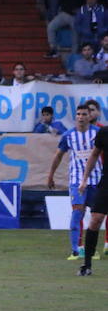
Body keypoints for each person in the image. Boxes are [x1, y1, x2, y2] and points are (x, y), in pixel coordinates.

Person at [48, 105, 101, 262]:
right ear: (75, 116)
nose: (80, 117)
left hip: (97, 180)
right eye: (78, 114)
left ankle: (92, 250)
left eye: (84, 114)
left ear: (90, 116)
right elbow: (58, 156)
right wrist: (51, 175)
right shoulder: (68, 135)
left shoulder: (97, 133)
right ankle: (76, 250)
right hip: (76, 180)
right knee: (77, 212)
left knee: (96, 217)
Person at [76, 119, 108, 276]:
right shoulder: (104, 132)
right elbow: (94, 155)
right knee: (95, 220)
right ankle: (87, 265)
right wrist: (84, 179)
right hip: (106, 182)